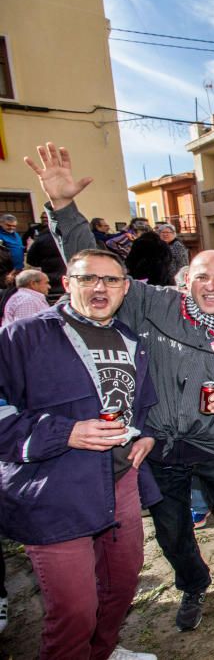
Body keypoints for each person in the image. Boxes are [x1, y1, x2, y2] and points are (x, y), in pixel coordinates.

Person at [28, 142, 214, 633]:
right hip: (159, 445)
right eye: (202, 277)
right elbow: (95, 266)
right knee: (172, 531)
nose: (211, 286)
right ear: (187, 281)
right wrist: (63, 207)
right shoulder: (153, 305)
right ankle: (192, 585)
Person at [0, 248, 160, 660]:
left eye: (110, 280)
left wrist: (146, 436)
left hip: (120, 481)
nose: (100, 287)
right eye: (89, 278)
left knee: (122, 584)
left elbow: (138, 407)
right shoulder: (23, 337)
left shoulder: (130, 340)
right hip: (55, 488)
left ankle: (103, 651)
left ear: (126, 288)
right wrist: (64, 432)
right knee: (74, 610)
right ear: (67, 283)